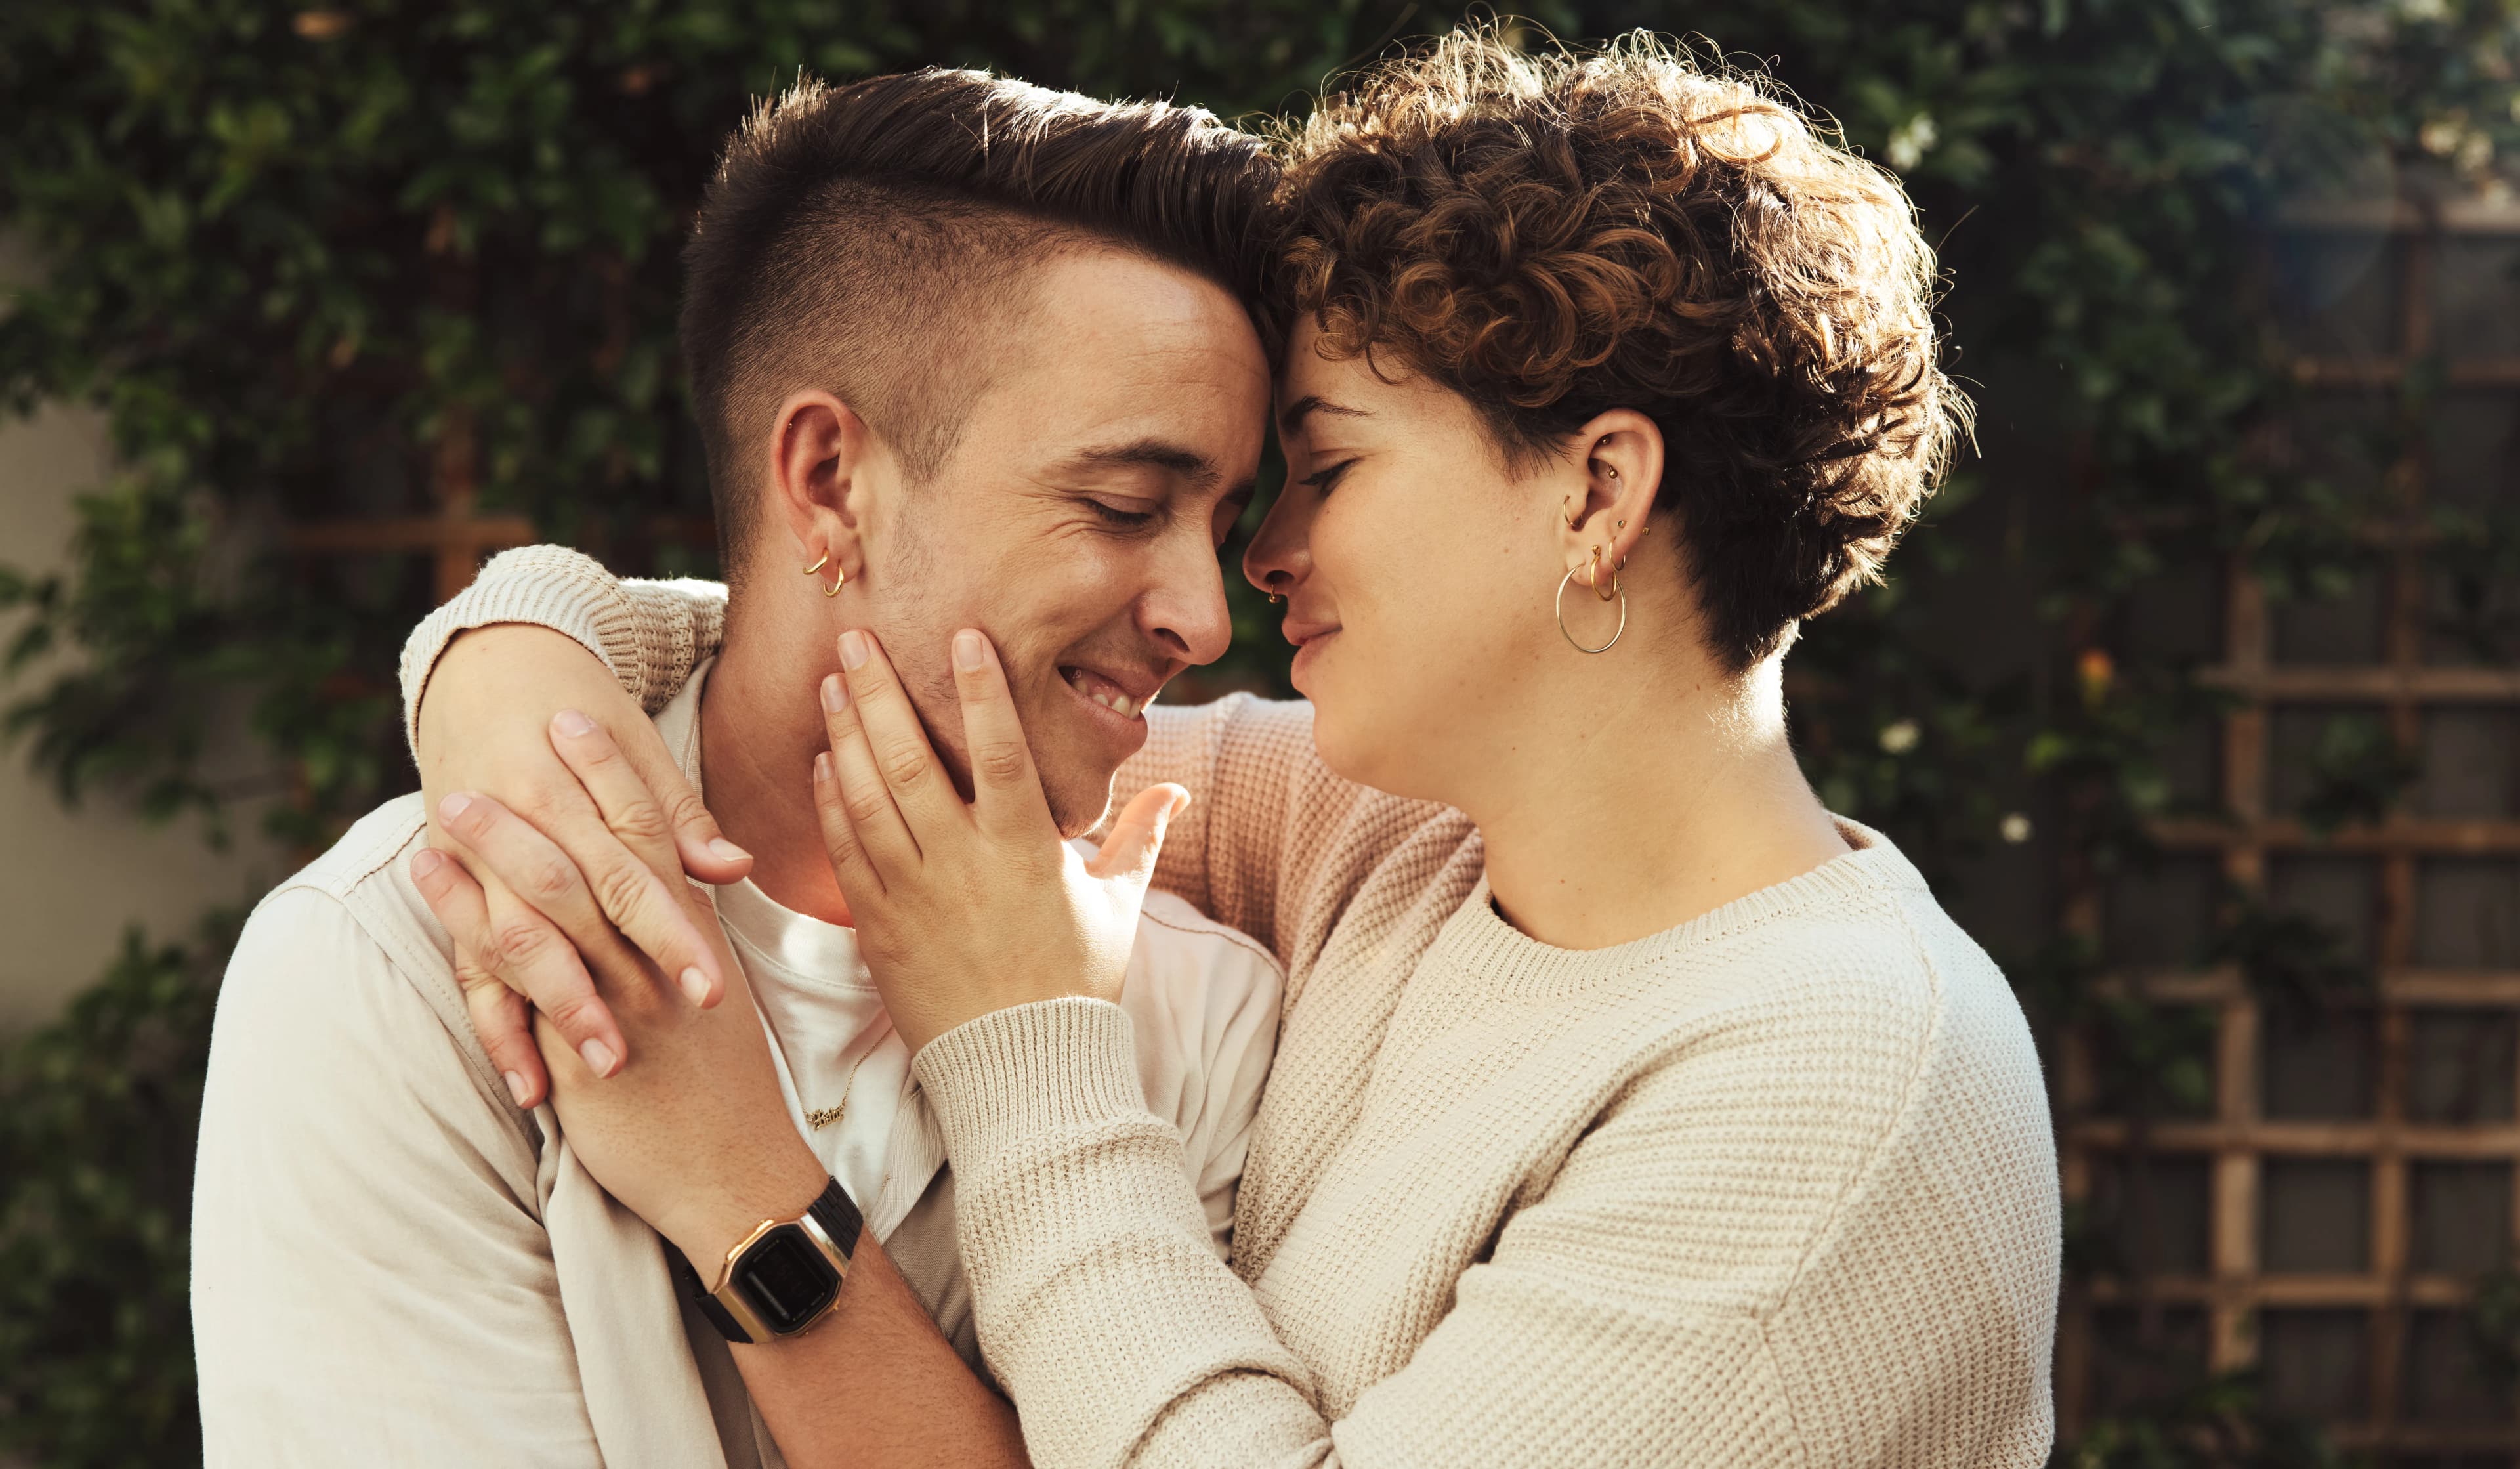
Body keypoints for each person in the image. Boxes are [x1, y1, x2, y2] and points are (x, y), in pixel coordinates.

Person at [401, 30, 2063, 1469]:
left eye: (1326, 467)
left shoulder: (1835, 1097)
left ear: (1596, 495)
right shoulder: (1395, 845)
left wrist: (1016, 1046)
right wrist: (514, 660)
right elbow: (900, 686)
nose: (1253, 564)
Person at [189, 70, 1291, 1468]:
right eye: (1126, 504)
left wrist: (752, 1197)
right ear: (830, 479)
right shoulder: (397, 975)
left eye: (1219, 519)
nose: (1207, 614)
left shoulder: (1202, 1027)